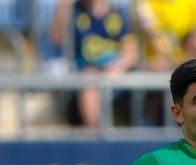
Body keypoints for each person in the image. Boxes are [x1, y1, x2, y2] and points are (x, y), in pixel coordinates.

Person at [49, 0, 139, 128]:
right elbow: (56, 38)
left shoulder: (117, 14)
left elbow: (131, 53)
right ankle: (96, 137)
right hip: (85, 77)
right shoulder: (74, 11)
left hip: (115, 76)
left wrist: (117, 67)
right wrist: (64, 4)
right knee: (89, 78)